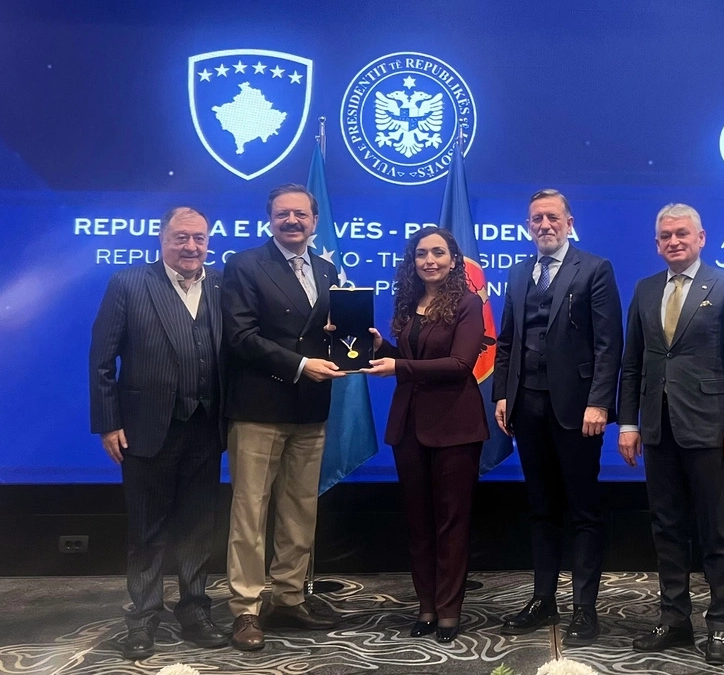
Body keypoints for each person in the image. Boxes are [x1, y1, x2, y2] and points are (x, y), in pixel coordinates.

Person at [617, 203, 724, 666]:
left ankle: (720, 624)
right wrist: (629, 423)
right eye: (665, 236)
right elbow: (632, 363)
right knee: (667, 528)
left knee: (716, 530)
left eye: (682, 233)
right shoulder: (644, 289)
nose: (673, 241)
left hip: (710, 429)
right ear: (657, 243)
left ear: (701, 238)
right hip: (657, 429)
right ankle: (675, 618)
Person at [89, 206, 227, 659]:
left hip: (206, 427)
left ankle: (195, 611)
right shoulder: (128, 284)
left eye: (199, 238)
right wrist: (108, 422)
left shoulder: (222, 285)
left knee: (198, 528)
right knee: (147, 532)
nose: (191, 246)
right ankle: (144, 617)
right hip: (146, 429)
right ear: (162, 239)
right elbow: (102, 360)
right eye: (180, 237)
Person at [493, 189, 623, 645]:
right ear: (528, 226)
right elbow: (506, 341)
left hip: (578, 410)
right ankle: (543, 599)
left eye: (552, 217)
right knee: (541, 508)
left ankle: (584, 608)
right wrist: (502, 394)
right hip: (527, 406)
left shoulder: (595, 269)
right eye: (536, 219)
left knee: (584, 510)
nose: (544, 225)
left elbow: (608, 343)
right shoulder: (518, 272)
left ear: (569, 222)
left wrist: (599, 402)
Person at [221, 183, 343, 651]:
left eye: (301, 214)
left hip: (310, 408)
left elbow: (327, 335)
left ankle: (289, 598)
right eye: (282, 213)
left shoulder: (327, 270)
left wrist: (356, 343)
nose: (292, 221)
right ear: (270, 219)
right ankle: (246, 609)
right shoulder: (245, 264)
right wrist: (300, 364)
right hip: (259, 406)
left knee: (299, 509)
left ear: (314, 221)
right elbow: (240, 336)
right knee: (250, 511)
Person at [363, 226, 489, 643]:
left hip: (455, 426)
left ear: (453, 260)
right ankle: (427, 607)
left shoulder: (468, 303)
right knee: (418, 523)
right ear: (412, 261)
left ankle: (450, 611)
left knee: (451, 523)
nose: (429, 260)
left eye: (438, 253)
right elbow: (411, 359)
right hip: (409, 427)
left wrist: (399, 367)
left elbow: (460, 365)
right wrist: (382, 348)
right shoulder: (409, 301)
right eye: (421, 254)